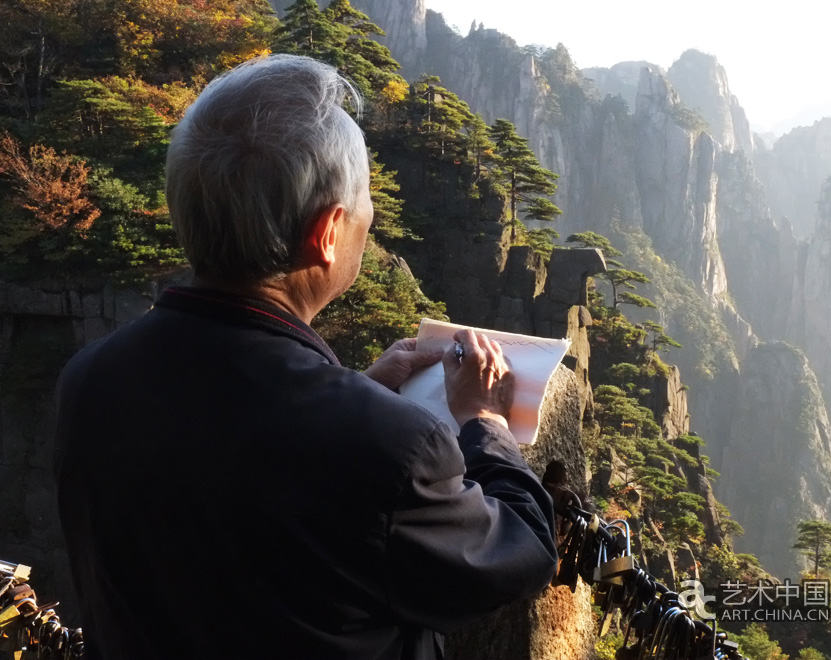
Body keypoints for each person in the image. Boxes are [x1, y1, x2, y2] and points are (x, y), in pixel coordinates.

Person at [53, 54, 557, 660]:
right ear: (327, 232)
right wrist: (486, 422)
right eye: (365, 199)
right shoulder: (388, 449)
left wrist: (348, 388)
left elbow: (236, 467)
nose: (371, 218)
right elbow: (519, 552)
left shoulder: (90, 381)